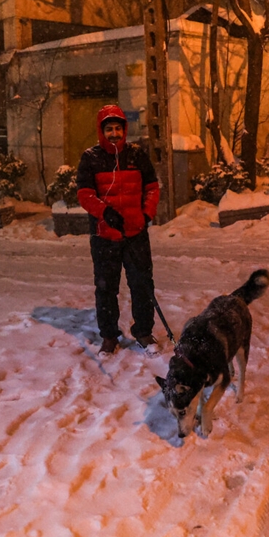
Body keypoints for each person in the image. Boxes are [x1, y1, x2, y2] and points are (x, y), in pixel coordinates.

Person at [77, 104, 161, 355]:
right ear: (101, 131)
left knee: (142, 284)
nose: (114, 133)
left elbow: (152, 188)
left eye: (117, 128)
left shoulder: (137, 155)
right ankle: (109, 336)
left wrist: (146, 214)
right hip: (105, 235)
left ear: (124, 129)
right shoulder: (90, 158)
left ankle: (144, 332)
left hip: (136, 234)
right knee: (106, 288)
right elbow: (84, 194)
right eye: (109, 129)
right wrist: (105, 212)